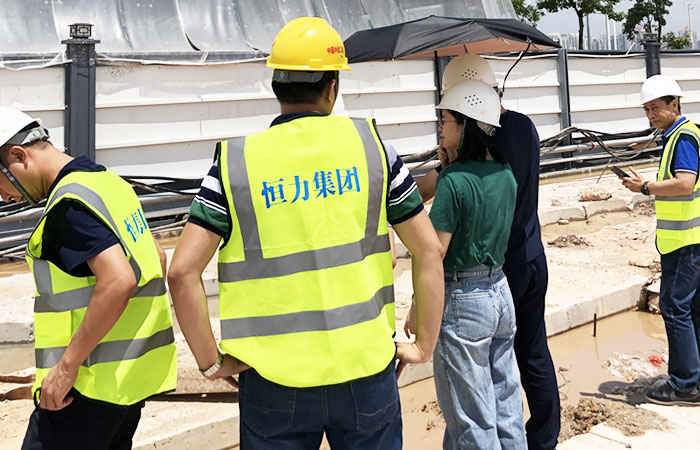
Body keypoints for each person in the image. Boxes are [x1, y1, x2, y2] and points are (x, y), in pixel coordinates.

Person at [167, 17, 445, 449]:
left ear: (276, 85)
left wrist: (210, 362)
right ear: (332, 87)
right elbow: (428, 251)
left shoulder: (235, 163)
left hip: (272, 382)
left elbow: (182, 272)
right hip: (366, 372)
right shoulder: (373, 149)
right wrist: (423, 344)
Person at [0, 107, 177, 450]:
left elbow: (118, 280)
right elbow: (155, 256)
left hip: (81, 390)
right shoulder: (107, 182)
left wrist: (66, 369)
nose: (4, 196)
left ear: (19, 155)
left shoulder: (69, 206)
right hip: (126, 385)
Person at [416, 54, 560, 449]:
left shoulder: (467, 168)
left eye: (446, 118)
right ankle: (543, 439)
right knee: (516, 376)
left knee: (472, 408)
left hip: (484, 274)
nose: (441, 127)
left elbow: (436, 246)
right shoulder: (520, 132)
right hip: (522, 263)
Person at [621, 74, 700, 406]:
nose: (651, 115)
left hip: (684, 241)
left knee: (673, 306)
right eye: (647, 110)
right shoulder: (676, 135)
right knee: (691, 308)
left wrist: (645, 188)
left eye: (656, 108)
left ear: (674, 104)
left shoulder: (683, 138)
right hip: (685, 239)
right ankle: (693, 376)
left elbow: (685, 183)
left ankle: (684, 384)